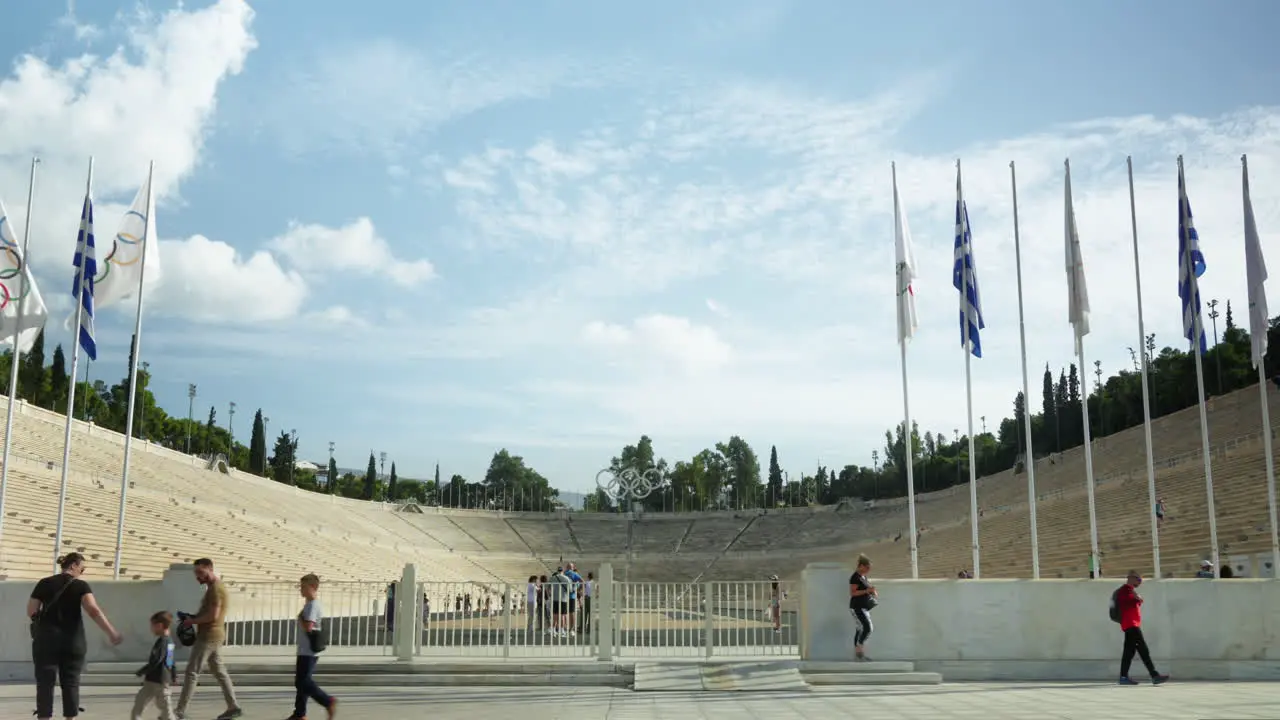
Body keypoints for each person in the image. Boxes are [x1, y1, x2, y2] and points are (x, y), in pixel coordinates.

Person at [29, 552, 123, 720]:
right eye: (82, 568)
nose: (83, 572)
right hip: (72, 641)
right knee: (71, 682)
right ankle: (70, 718)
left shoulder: (44, 583)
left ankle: (44, 717)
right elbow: (93, 610)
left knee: (45, 683)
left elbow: (31, 611)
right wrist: (111, 632)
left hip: (46, 641)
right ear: (73, 565)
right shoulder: (81, 586)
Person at [175, 558, 241, 720]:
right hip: (213, 634)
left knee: (192, 672)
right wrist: (193, 617)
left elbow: (213, 615)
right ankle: (233, 706)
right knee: (219, 671)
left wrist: (192, 621)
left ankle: (179, 712)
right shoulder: (213, 588)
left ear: (210, 569)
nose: (198, 576)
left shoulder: (215, 590)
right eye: (196, 573)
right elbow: (209, 613)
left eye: (200, 573)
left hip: (209, 636)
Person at [290, 574, 336, 720]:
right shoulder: (311, 604)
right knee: (302, 682)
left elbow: (309, 627)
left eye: (303, 587)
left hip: (307, 651)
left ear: (313, 587)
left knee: (303, 682)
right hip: (306, 649)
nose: (301, 590)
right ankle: (300, 713)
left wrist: (300, 618)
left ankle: (327, 701)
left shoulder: (312, 605)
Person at [1114, 570, 1170, 686]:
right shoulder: (1125, 590)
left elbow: (1133, 602)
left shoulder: (1129, 591)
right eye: (1138, 580)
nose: (1139, 583)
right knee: (1143, 650)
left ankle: (1123, 677)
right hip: (1131, 624)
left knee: (1128, 652)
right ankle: (1154, 675)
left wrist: (1137, 599)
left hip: (1131, 624)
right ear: (1131, 578)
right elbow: (1126, 603)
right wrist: (1137, 598)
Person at [131, 611, 176, 720]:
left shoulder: (162, 642)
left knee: (164, 709)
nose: (151, 629)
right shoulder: (170, 641)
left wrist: (142, 670)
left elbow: (156, 660)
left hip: (157, 681)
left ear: (159, 626)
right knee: (140, 704)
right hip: (158, 680)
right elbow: (170, 661)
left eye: (152, 626)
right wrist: (173, 675)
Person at [848, 554, 876, 661]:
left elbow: (867, 588)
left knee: (860, 629)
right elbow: (853, 593)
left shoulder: (863, 577)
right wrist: (867, 591)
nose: (868, 570)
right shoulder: (855, 577)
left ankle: (859, 655)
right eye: (867, 567)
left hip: (864, 607)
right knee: (868, 628)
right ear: (861, 566)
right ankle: (859, 650)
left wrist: (872, 592)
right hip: (857, 607)